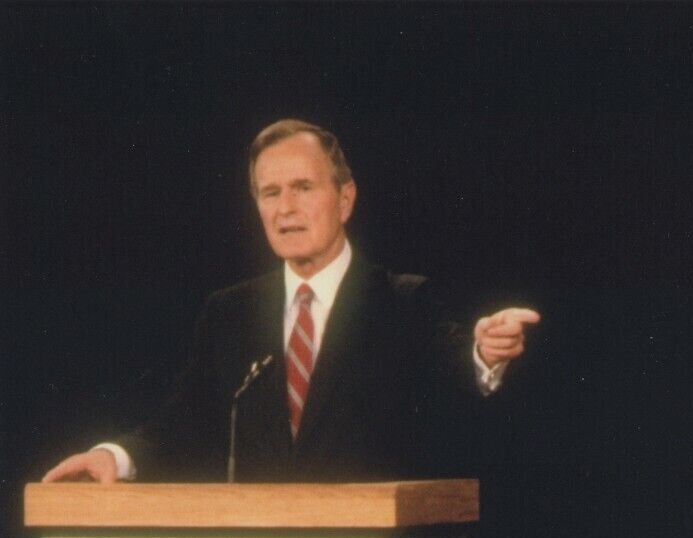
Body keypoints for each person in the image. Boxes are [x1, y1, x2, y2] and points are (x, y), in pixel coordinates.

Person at [42, 119, 539, 484]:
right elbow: (182, 427)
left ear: (344, 200)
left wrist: (484, 354)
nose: (285, 209)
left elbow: (451, 376)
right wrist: (114, 455)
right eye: (270, 192)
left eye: (303, 187)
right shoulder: (229, 314)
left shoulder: (402, 302)